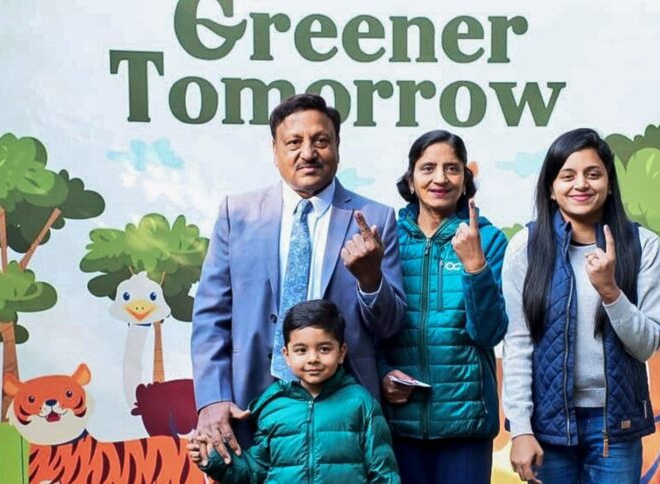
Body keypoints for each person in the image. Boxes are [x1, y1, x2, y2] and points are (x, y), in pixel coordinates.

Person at [191, 94, 407, 464]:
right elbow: (211, 315)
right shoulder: (237, 214)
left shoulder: (375, 218)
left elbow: (389, 325)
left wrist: (371, 280)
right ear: (275, 151)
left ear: (337, 148)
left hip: (341, 412)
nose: (308, 152)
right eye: (294, 142)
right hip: (250, 404)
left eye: (321, 141)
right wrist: (212, 398)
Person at [502, 128, 660, 483]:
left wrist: (610, 291)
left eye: (593, 174)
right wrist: (520, 429)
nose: (581, 184)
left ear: (609, 184)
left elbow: (647, 345)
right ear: (551, 187)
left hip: (616, 425)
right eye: (568, 175)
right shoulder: (525, 248)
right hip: (547, 426)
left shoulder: (644, 246)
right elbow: (517, 344)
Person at [378, 130, 509, 483]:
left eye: (452, 169)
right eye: (428, 168)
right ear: (410, 179)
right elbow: (366, 325)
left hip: (464, 425)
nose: (440, 178)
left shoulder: (489, 239)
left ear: (466, 180)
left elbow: (489, 332)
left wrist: (475, 267)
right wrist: (381, 374)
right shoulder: (387, 236)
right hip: (397, 422)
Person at [189, 299, 401, 483]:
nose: (313, 358)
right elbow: (255, 472)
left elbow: (383, 472)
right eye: (301, 350)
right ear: (287, 355)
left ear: (341, 352)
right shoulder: (273, 406)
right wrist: (213, 459)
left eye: (324, 349)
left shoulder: (361, 403)